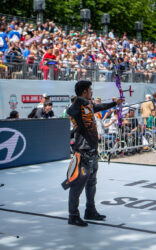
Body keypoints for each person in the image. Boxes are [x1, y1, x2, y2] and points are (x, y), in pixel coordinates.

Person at [66, 80, 124, 227]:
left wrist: (115, 103)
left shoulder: (88, 106)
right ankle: (73, 215)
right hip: (82, 151)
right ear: (84, 92)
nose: (92, 92)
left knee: (91, 183)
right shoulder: (78, 106)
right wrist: (80, 99)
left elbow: (99, 106)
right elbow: (69, 111)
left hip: (92, 151)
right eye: (90, 90)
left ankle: (90, 211)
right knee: (77, 185)